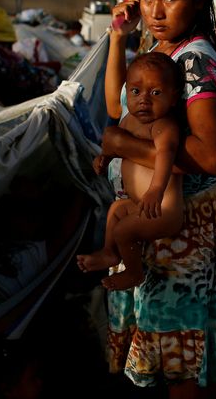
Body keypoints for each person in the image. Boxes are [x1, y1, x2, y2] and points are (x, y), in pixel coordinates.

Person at [97, 0, 216, 396]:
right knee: (164, 351)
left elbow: (212, 157)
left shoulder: (194, 60)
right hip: (151, 224)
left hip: (183, 232)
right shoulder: (160, 48)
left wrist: (127, 147)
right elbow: (116, 108)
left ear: (198, 1)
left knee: (178, 356)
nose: (155, 11)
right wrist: (119, 39)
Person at [77, 52, 186, 290]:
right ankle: (109, 253)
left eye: (155, 93)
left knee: (124, 229)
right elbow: (114, 146)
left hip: (163, 210)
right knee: (116, 210)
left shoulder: (164, 125)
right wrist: (104, 157)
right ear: (127, 92)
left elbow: (166, 155)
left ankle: (135, 273)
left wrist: (156, 190)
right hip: (139, 204)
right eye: (136, 92)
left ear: (174, 97)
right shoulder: (129, 120)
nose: (144, 100)